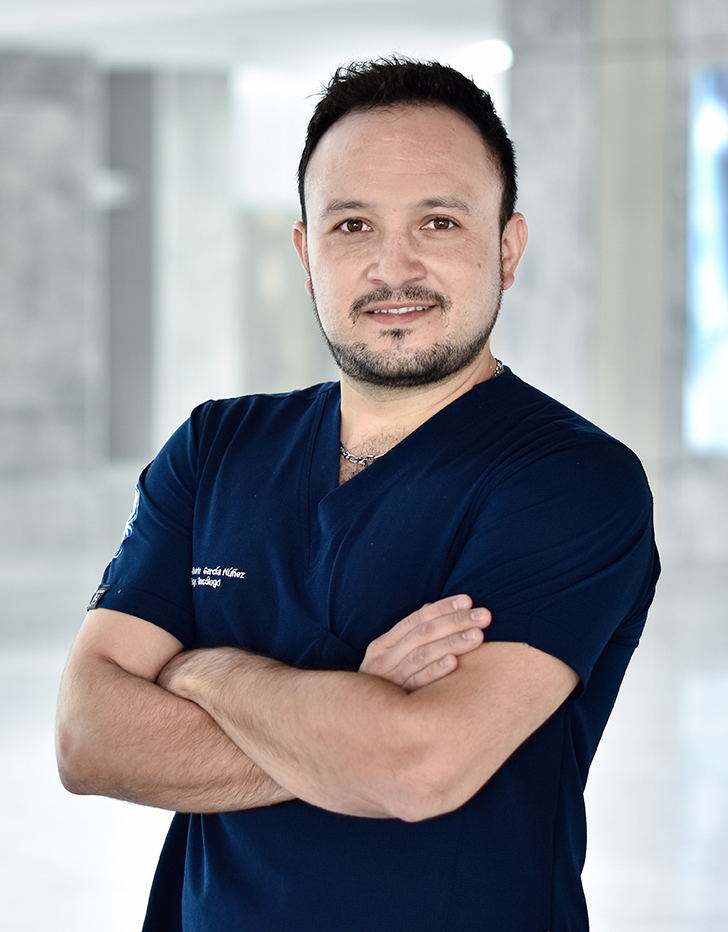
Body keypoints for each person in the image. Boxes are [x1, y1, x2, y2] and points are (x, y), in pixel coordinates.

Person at [56, 58, 660, 931]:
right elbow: (88, 738)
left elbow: (417, 769)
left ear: (507, 247)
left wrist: (201, 667)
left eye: (440, 221)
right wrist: (349, 712)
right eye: (351, 225)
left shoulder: (569, 480)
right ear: (307, 252)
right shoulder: (215, 449)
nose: (392, 266)